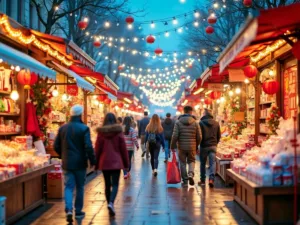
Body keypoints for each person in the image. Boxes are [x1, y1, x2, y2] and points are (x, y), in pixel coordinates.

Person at [54, 105, 96, 223]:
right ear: (80, 114)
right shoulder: (84, 128)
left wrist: (63, 156)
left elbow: (56, 145)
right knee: (80, 187)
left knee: (68, 186)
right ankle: (78, 211)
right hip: (80, 163)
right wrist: (92, 161)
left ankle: (68, 209)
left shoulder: (63, 128)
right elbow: (88, 146)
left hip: (67, 162)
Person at [94, 113, 129, 217]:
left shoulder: (101, 133)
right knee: (115, 184)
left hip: (104, 162)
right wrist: (126, 164)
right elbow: (123, 150)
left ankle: (109, 203)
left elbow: (97, 149)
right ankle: (111, 203)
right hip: (116, 162)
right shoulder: (118, 133)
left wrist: (95, 164)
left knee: (107, 184)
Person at [171, 106, 201, 187]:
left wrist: (172, 146)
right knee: (191, 160)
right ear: (191, 112)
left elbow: (175, 136)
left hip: (181, 147)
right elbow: (199, 136)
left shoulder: (178, 122)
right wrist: (196, 145)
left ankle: (185, 180)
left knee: (182, 163)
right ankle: (190, 174)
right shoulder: (195, 123)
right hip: (192, 146)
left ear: (184, 112)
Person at [199, 109, 221, 188]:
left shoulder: (201, 123)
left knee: (203, 163)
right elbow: (219, 136)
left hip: (204, 146)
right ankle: (211, 179)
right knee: (212, 163)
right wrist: (215, 143)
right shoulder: (216, 123)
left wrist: (199, 144)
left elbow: (199, 135)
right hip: (213, 146)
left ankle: (202, 180)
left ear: (204, 114)